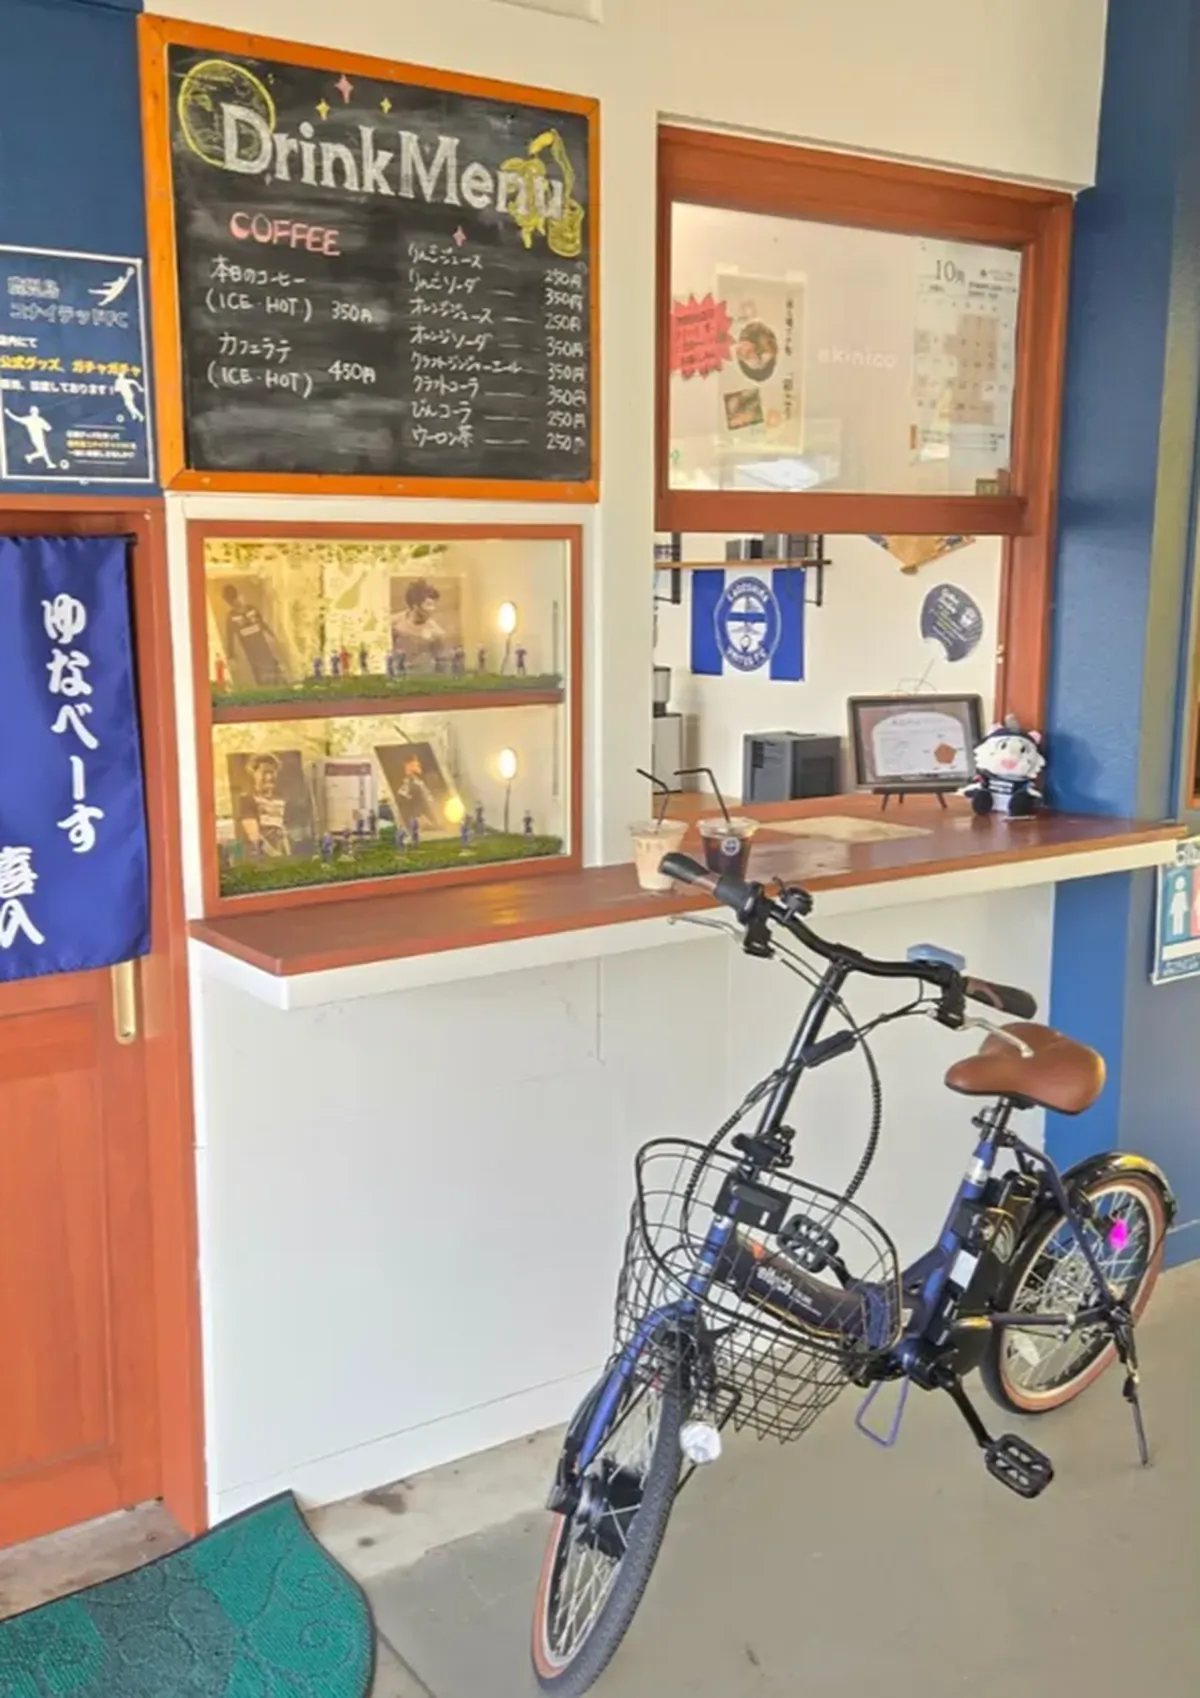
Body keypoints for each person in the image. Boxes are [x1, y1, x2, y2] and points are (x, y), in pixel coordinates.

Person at [222, 583, 284, 685]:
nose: (238, 602)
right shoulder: (232, 617)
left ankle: (276, 683)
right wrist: (231, 656)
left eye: (237, 598)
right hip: (251, 652)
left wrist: (271, 636)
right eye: (233, 601)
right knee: (260, 673)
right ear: (230, 602)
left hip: (264, 647)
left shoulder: (252, 609)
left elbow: (262, 623)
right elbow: (230, 638)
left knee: (272, 668)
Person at [237, 754, 291, 858]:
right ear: (254, 774)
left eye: (272, 772)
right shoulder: (247, 799)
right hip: (260, 856)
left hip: (281, 854)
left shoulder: (281, 799)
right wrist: (275, 855)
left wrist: (287, 855)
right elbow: (254, 835)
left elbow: (282, 830)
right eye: (264, 772)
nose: (269, 777)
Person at [392, 579, 447, 666]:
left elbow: (441, 664)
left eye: (434, 604)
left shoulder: (436, 633)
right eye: (429, 604)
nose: (433, 609)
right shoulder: (394, 622)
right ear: (415, 606)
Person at [5, 404, 56, 469]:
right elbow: (17, 419)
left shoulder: (39, 419)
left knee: (43, 451)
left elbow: (48, 428)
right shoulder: (30, 419)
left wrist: (8, 413)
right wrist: (8, 413)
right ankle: (31, 457)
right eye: (35, 411)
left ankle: (48, 463)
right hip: (36, 438)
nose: (36, 412)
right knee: (43, 451)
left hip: (40, 438)